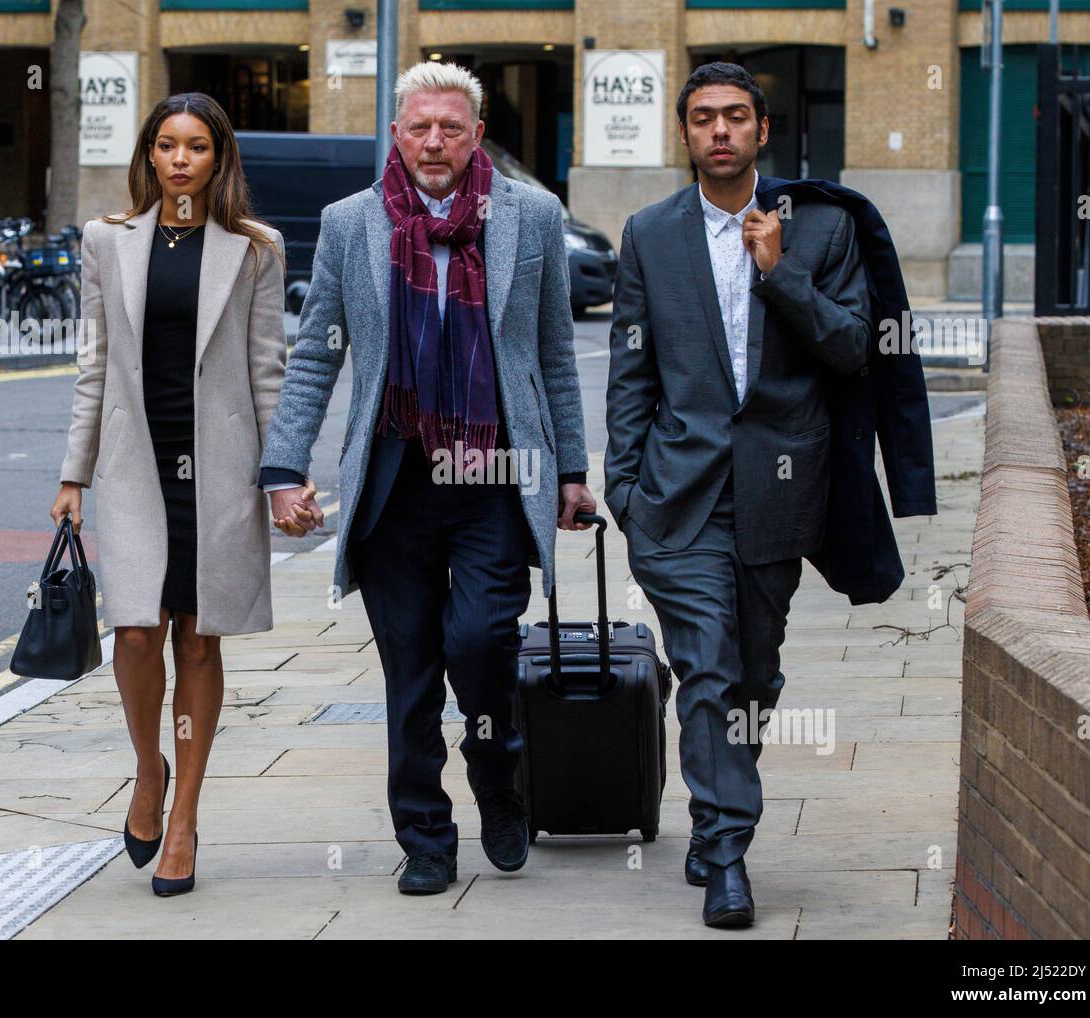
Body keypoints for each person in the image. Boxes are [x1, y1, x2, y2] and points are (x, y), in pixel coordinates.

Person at [260, 61, 596, 896]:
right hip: (395, 478)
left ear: (477, 135)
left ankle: (501, 784)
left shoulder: (532, 216)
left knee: (482, 647)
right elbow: (316, 354)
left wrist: (574, 472)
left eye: (451, 127)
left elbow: (553, 351)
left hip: (495, 475)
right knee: (409, 676)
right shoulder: (351, 223)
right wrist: (282, 467)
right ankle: (427, 839)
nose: (434, 142)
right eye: (419, 127)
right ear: (397, 134)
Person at [604, 62, 872, 928]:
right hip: (676, 500)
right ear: (684, 134)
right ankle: (726, 851)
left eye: (736, 117)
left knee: (753, 674)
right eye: (703, 118)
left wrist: (780, 272)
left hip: (777, 493)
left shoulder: (821, 229)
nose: (720, 131)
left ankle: (717, 803)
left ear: (763, 131)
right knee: (710, 671)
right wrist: (625, 486)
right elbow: (632, 369)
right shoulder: (648, 232)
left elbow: (854, 348)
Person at [52, 93, 288, 897]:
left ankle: (182, 813)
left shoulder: (256, 248)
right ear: (149, 156)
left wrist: (284, 475)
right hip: (131, 467)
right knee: (135, 635)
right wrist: (72, 474)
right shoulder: (105, 241)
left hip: (216, 470)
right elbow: (93, 365)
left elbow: (267, 374)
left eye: (196, 146)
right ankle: (145, 772)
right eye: (166, 145)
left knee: (197, 639)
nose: (180, 159)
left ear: (219, 158)